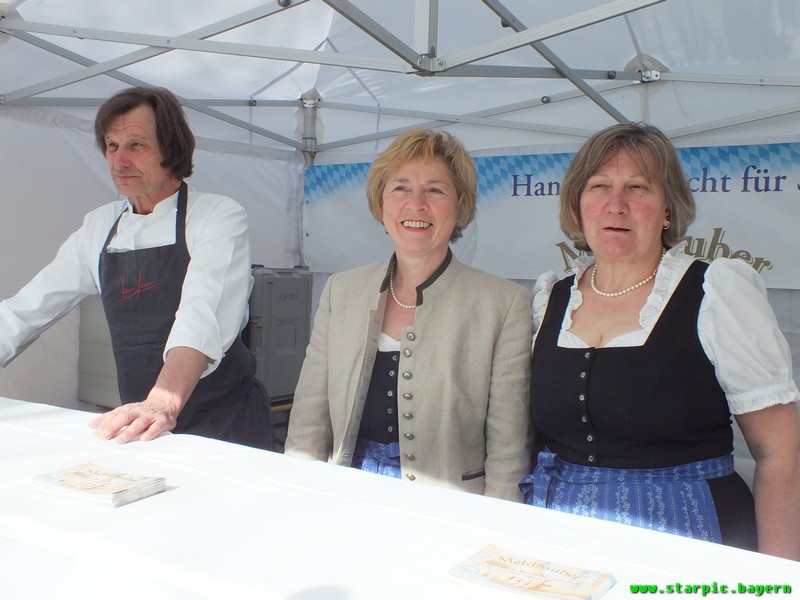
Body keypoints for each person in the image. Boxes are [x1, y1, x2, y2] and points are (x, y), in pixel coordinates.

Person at [522, 122, 800, 559]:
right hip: (564, 538)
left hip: (688, 534)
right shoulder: (552, 299)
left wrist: (781, 580)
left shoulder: (716, 292)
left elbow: (781, 455)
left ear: (667, 209)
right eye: (599, 187)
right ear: (578, 206)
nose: (617, 205)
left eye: (638, 187)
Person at [0, 86, 273, 450]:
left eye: (136, 145)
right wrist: (153, 409)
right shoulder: (100, 227)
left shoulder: (217, 215)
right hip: (146, 425)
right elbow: (26, 310)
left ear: (171, 149)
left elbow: (200, 315)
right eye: (112, 146)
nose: (119, 161)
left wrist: (162, 401)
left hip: (222, 424)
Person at [284, 128, 531, 501]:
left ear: (460, 204)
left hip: (450, 508)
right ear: (380, 203)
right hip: (346, 499)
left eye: (435, 190)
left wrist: (493, 530)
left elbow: (507, 449)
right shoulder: (340, 291)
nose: (416, 204)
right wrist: (297, 497)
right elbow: (308, 422)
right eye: (400, 188)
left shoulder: (503, 303)